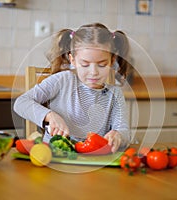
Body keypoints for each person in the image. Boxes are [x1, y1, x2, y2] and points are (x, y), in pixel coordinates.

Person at [14, 23, 132, 152]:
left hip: (94, 161)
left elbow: (124, 130)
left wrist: (118, 135)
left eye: (102, 65)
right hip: (54, 158)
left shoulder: (115, 94)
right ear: (72, 60)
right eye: (85, 64)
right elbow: (21, 102)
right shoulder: (62, 80)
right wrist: (50, 116)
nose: (94, 72)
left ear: (112, 60)